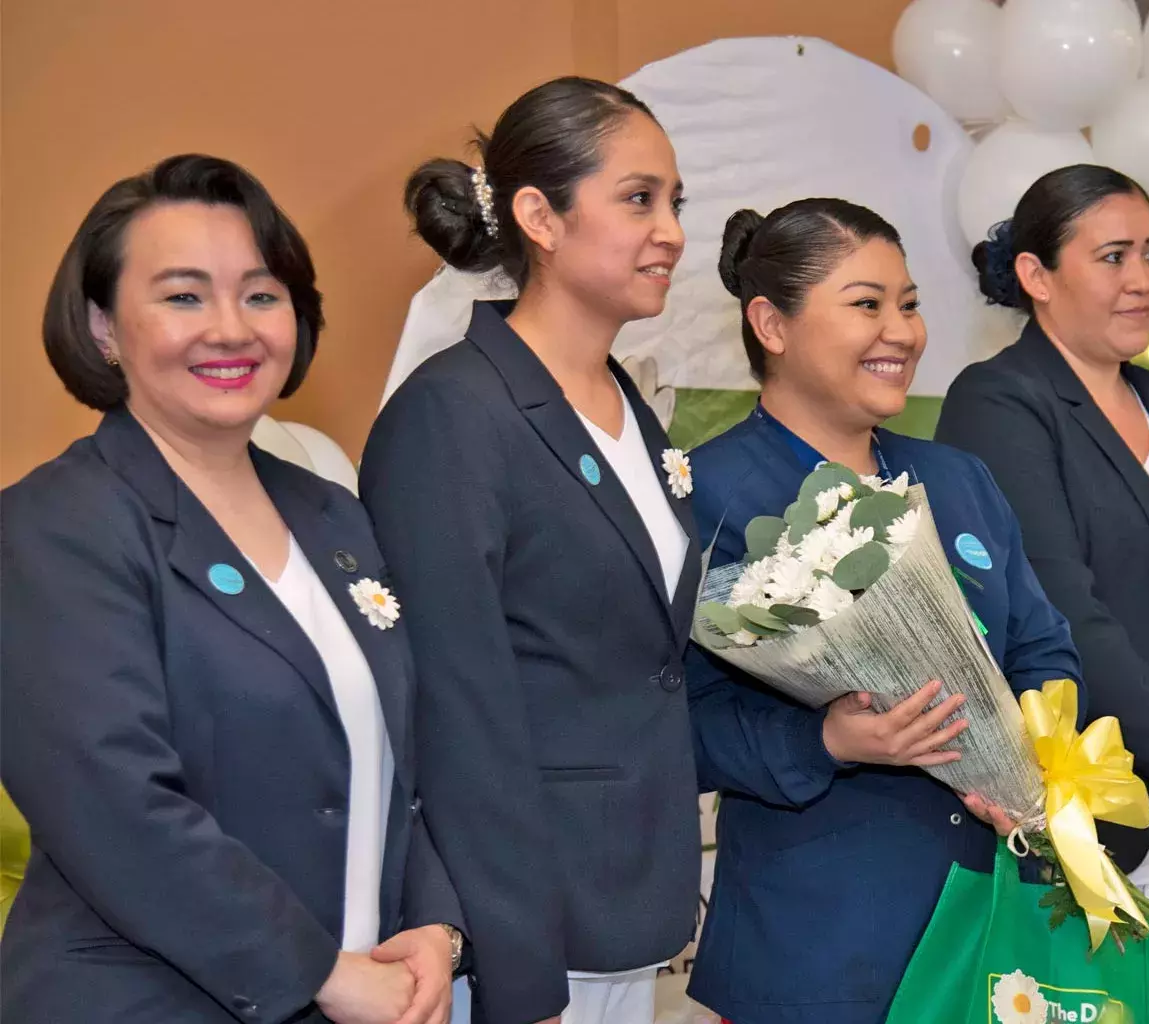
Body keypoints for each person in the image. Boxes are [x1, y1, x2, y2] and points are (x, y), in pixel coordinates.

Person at [1, 155, 462, 1023]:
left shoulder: (335, 515)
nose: (231, 328)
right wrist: (322, 972)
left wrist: (436, 921)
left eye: (260, 293)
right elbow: (118, 809)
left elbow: (402, 756)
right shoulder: (56, 526)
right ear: (103, 326)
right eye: (183, 296)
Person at [685, 198, 1083, 1024]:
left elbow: (1044, 646)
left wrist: (1032, 755)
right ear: (772, 323)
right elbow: (670, 722)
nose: (900, 332)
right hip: (818, 941)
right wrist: (826, 739)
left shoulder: (960, 479)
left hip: (991, 925)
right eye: (866, 305)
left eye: (908, 304)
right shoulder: (702, 494)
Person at [360, 78, 698, 1024]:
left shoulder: (632, 409)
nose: (670, 229)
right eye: (639, 199)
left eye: (677, 202)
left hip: (629, 901)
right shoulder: (453, 413)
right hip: (519, 929)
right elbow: (454, 711)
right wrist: (516, 966)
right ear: (539, 216)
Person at [935, 164, 1149, 1023]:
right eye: (1113, 255)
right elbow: (1064, 611)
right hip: (1094, 819)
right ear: (1037, 277)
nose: (1142, 281)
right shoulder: (1001, 401)